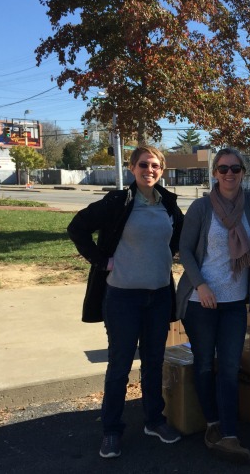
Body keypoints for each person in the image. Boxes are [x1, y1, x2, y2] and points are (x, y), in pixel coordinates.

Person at [176, 147, 250, 463]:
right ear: (214, 173)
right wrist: (200, 286)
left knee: (229, 367)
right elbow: (185, 250)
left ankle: (228, 433)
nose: (230, 174)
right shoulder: (201, 208)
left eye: (236, 169)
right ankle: (213, 424)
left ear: (242, 172)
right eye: (223, 169)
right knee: (204, 364)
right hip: (200, 301)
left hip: (233, 303)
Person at [67, 146, 184, 459]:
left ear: (163, 169)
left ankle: (154, 421)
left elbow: (183, 239)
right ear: (132, 168)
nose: (150, 170)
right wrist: (101, 260)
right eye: (143, 164)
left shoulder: (168, 203)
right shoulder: (119, 201)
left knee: (153, 361)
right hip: (122, 297)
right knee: (119, 366)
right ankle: (111, 430)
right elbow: (77, 228)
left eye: (156, 165)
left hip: (159, 295)